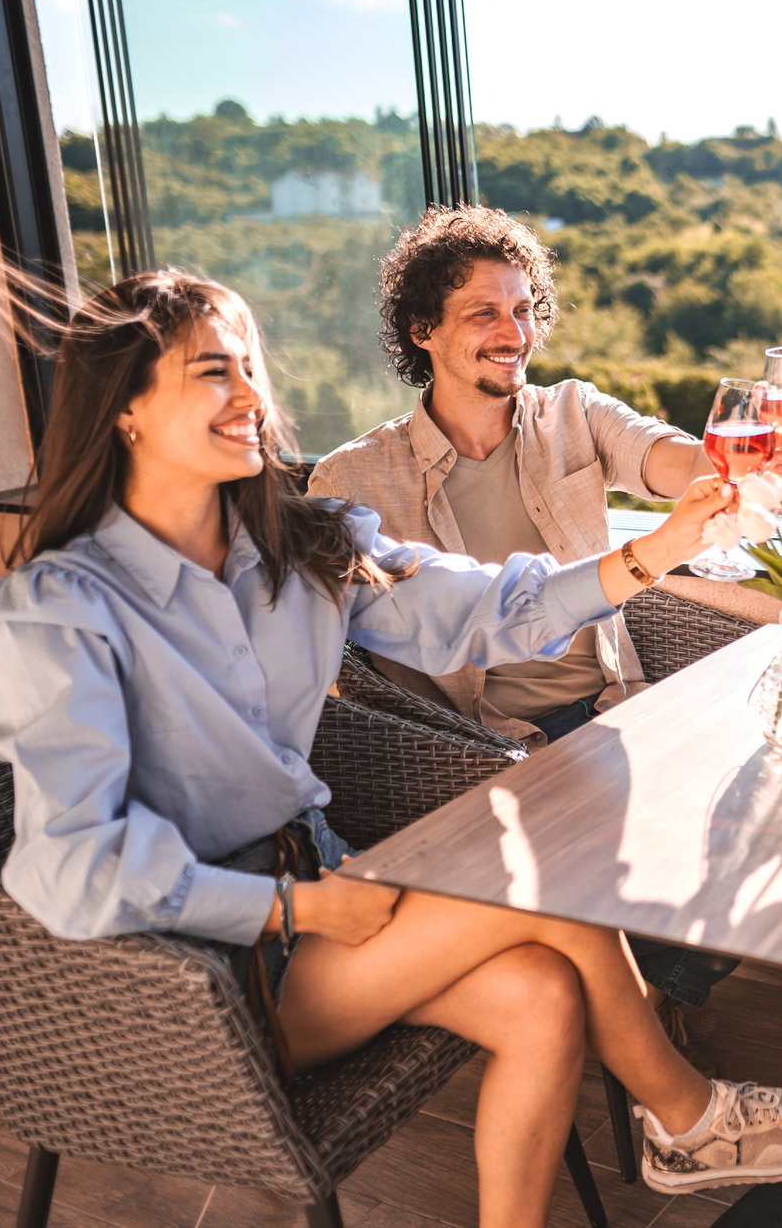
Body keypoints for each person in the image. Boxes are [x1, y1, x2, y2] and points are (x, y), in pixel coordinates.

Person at [0, 271, 782, 1228]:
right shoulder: (55, 613)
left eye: (251, 368)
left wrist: (659, 548)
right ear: (122, 410)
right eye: (215, 372)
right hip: (192, 980)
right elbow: (71, 868)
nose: (253, 396)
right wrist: (303, 909)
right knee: (549, 886)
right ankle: (689, 1118)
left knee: (540, 994)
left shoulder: (300, 550)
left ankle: (676, 1129)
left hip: (318, 900)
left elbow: (495, 606)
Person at [305, 203, 740, 1029]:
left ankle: (633, 990)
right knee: (700, 856)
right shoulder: (355, 478)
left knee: (763, 812)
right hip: (484, 752)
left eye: (523, 309)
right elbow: (332, 654)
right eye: (483, 313)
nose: (514, 331)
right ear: (422, 329)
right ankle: (642, 1009)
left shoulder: (571, 415)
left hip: (615, 712)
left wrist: (724, 458)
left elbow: (664, 455)